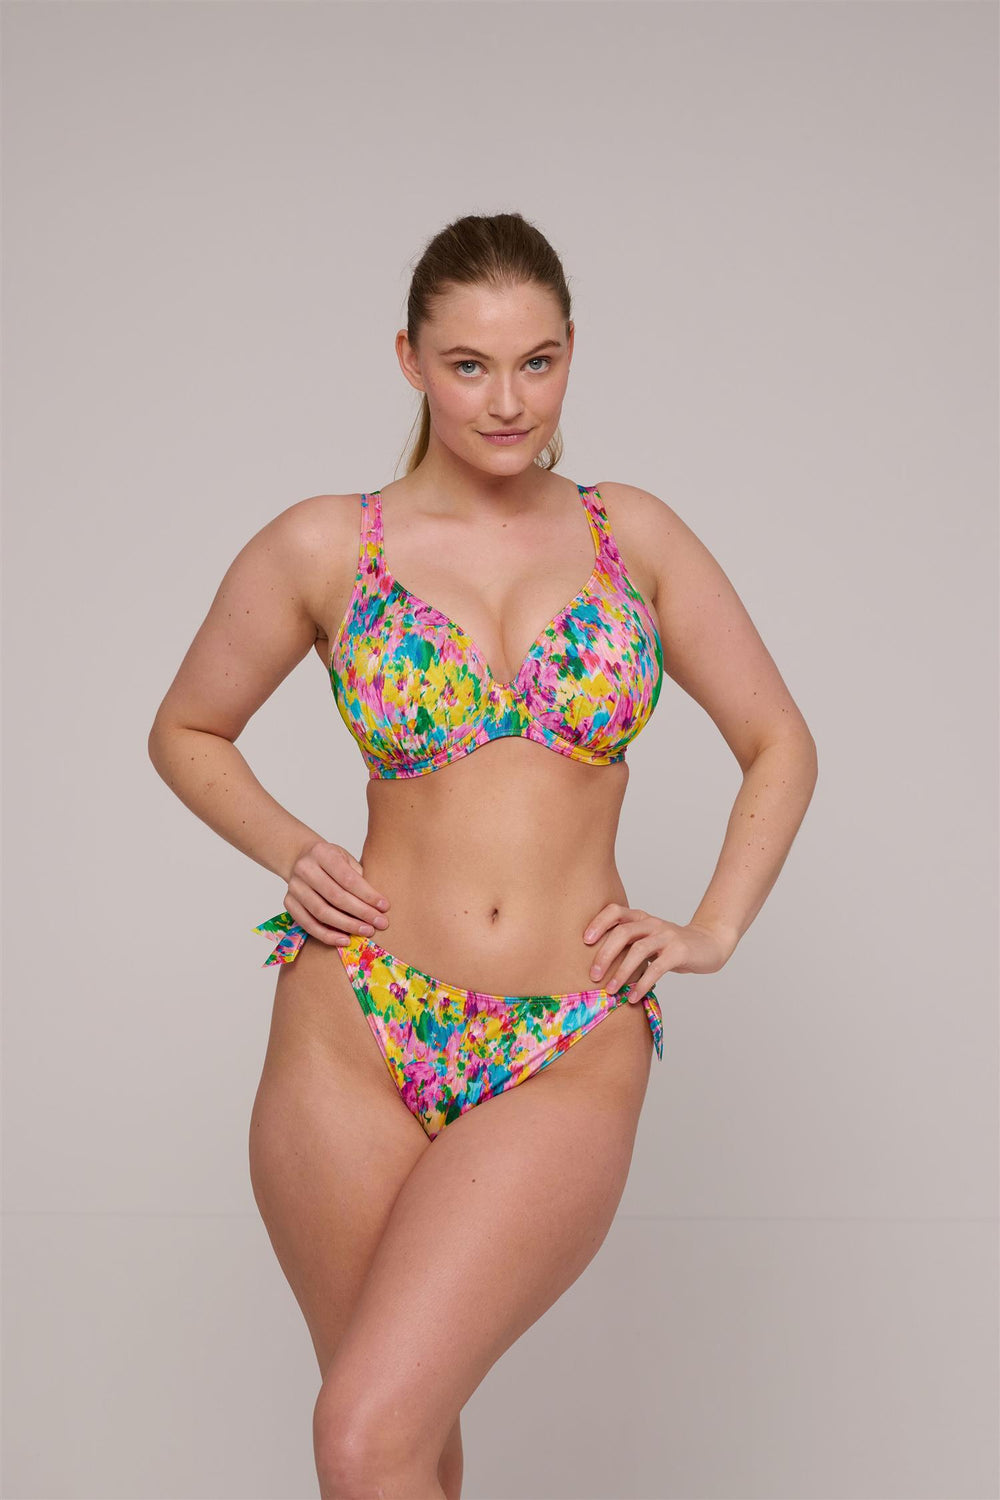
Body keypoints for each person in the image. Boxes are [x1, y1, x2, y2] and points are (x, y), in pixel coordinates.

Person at [147, 210, 818, 1500]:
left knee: (366, 1432)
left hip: (568, 1031)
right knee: (393, 1443)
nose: (508, 402)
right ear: (409, 359)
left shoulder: (635, 537)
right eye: (469, 365)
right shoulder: (328, 545)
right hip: (354, 1023)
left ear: (571, 354)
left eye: (537, 362)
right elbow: (186, 728)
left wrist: (713, 928)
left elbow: (778, 740)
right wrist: (292, 848)